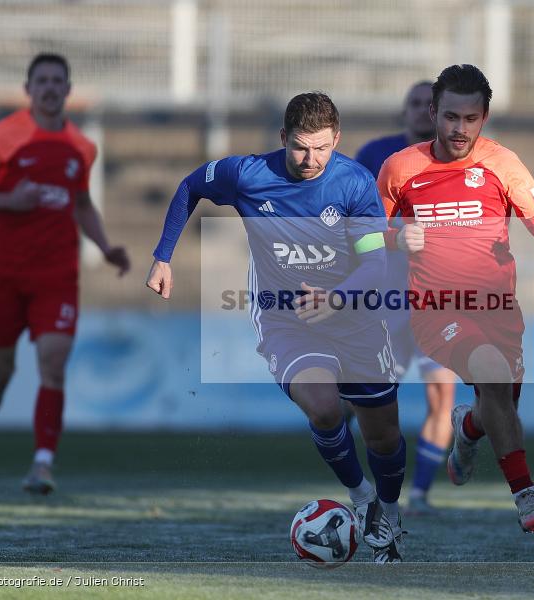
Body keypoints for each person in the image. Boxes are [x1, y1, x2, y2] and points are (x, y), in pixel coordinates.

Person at [146, 92, 407, 563]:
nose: (311, 159)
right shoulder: (248, 174)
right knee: (325, 408)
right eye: (301, 147)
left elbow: (375, 262)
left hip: (356, 319)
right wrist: (162, 256)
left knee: (384, 436)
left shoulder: (354, 182)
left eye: (322, 148)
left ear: (337, 140)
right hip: (286, 318)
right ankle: (363, 496)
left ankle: (388, 510)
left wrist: (338, 298)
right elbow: (190, 186)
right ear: (283, 137)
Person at [378, 64, 534, 534]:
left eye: (469, 118)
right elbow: (358, 237)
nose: (458, 129)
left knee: (500, 407)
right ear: (433, 112)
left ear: (483, 117)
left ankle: (468, 428)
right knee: (491, 375)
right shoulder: (401, 168)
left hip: (498, 309)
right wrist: (394, 237)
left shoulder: (502, 162)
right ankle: (527, 499)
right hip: (436, 310)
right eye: (449, 117)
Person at [0, 53, 130, 495]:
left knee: (53, 363)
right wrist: (10, 201)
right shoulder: (2, 137)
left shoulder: (81, 148)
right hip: (4, 276)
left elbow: (82, 204)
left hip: (57, 277)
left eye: (58, 81)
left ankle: (43, 462)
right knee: (1, 368)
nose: (50, 88)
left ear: (68, 90)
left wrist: (105, 247)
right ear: (27, 88)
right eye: (42, 81)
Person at [355, 81, 457, 516]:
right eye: (413, 103)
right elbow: (353, 228)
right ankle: (381, 487)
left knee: (442, 397)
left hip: (441, 298)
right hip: (385, 298)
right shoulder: (376, 155)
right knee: (374, 400)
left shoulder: (463, 161)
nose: (420, 111)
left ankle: (419, 493)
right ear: (404, 112)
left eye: (428, 105)